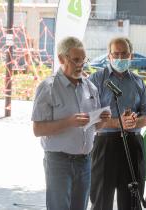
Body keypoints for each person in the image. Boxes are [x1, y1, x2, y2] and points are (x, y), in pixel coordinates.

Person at [31, 36, 111, 210]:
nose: (80, 64)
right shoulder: (48, 88)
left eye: (83, 60)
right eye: (75, 60)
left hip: (85, 161)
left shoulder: (91, 88)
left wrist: (102, 121)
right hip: (59, 161)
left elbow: (94, 127)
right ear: (61, 59)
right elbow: (37, 130)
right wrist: (68, 122)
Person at [89, 37, 146, 210]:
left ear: (130, 56)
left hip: (133, 144)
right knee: (101, 200)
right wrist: (118, 123)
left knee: (132, 201)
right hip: (104, 145)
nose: (119, 57)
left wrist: (134, 121)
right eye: (115, 54)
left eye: (123, 53)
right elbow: (90, 117)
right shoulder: (96, 80)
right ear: (108, 56)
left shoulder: (138, 82)